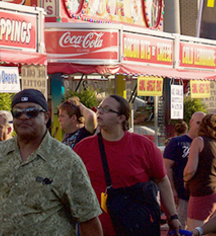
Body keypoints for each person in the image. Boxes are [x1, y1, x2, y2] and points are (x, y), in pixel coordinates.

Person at [0, 89, 103, 236]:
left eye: (31, 112)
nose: (24, 117)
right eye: (18, 113)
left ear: (45, 117)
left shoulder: (66, 160)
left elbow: (88, 218)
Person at [74, 95, 183, 235]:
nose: (99, 112)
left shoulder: (144, 146)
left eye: (107, 109)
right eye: (99, 108)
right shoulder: (83, 148)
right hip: (97, 228)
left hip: (137, 226)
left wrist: (172, 217)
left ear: (122, 118)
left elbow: (162, 181)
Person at [183, 113, 216, 231]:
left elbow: (190, 170)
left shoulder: (199, 141)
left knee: (195, 230)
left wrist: (185, 179)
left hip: (203, 191)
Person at [164, 111, 204, 228]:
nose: (200, 126)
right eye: (198, 122)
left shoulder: (206, 143)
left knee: (198, 229)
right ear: (191, 122)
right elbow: (166, 166)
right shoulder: (177, 142)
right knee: (179, 227)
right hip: (182, 195)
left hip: (200, 195)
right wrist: (172, 190)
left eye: (203, 123)